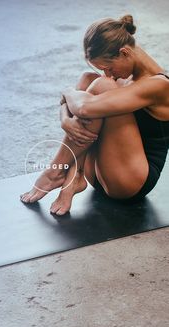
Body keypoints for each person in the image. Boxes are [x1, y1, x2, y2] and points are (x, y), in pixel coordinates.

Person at [20, 14, 169, 215]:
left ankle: (55, 171)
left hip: (131, 182)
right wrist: (64, 118)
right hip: (101, 172)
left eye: (108, 67)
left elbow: (83, 108)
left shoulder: (159, 85)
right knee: (87, 78)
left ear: (125, 53)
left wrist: (66, 91)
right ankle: (75, 176)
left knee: (100, 86)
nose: (109, 73)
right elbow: (80, 104)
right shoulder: (124, 74)